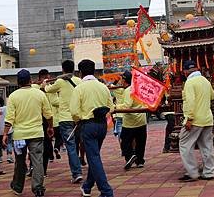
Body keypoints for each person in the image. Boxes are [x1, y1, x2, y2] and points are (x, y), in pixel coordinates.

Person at [3, 69, 53, 197]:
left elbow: (9, 119)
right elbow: (48, 114)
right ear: (30, 80)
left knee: (19, 162)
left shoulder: (13, 96)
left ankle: (18, 187)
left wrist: (4, 134)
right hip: (36, 133)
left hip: (19, 135)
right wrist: (50, 127)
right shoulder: (40, 94)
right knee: (37, 161)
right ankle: (38, 188)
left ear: (18, 82)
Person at [70, 59, 114, 197]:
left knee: (93, 157)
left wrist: (78, 121)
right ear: (94, 71)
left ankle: (106, 191)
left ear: (80, 72)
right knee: (94, 156)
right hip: (102, 125)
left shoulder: (79, 88)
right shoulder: (103, 86)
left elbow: (74, 111)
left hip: (87, 125)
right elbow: (111, 107)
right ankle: (87, 186)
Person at [43, 60, 83, 183]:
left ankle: (76, 173)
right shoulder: (79, 81)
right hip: (78, 118)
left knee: (70, 146)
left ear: (63, 69)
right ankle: (78, 168)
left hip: (65, 118)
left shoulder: (60, 81)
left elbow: (48, 89)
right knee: (77, 144)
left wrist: (45, 83)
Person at [178, 60, 214, 182]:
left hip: (195, 120)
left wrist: (189, 119)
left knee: (184, 144)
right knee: (207, 146)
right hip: (207, 118)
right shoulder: (205, 80)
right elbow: (213, 96)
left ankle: (192, 172)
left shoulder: (189, 82)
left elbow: (190, 102)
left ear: (186, 71)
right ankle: (209, 172)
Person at [116, 71, 148, 170]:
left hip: (130, 122)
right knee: (140, 142)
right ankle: (140, 160)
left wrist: (115, 107)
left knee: (125, 141)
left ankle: (130, 157)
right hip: (142, 119)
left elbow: (127, 105)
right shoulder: (139, 88)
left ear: (124, 80)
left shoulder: (128, 90)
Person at [37, 69, 57, 175]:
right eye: (45, 78)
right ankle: (34, 168)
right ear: (40, 78)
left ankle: (43, 169)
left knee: (46, 143)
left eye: (48, 78)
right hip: (37, 119)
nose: (47, 80)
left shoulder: (51, 88)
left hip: (47, 119)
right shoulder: (35, 88)